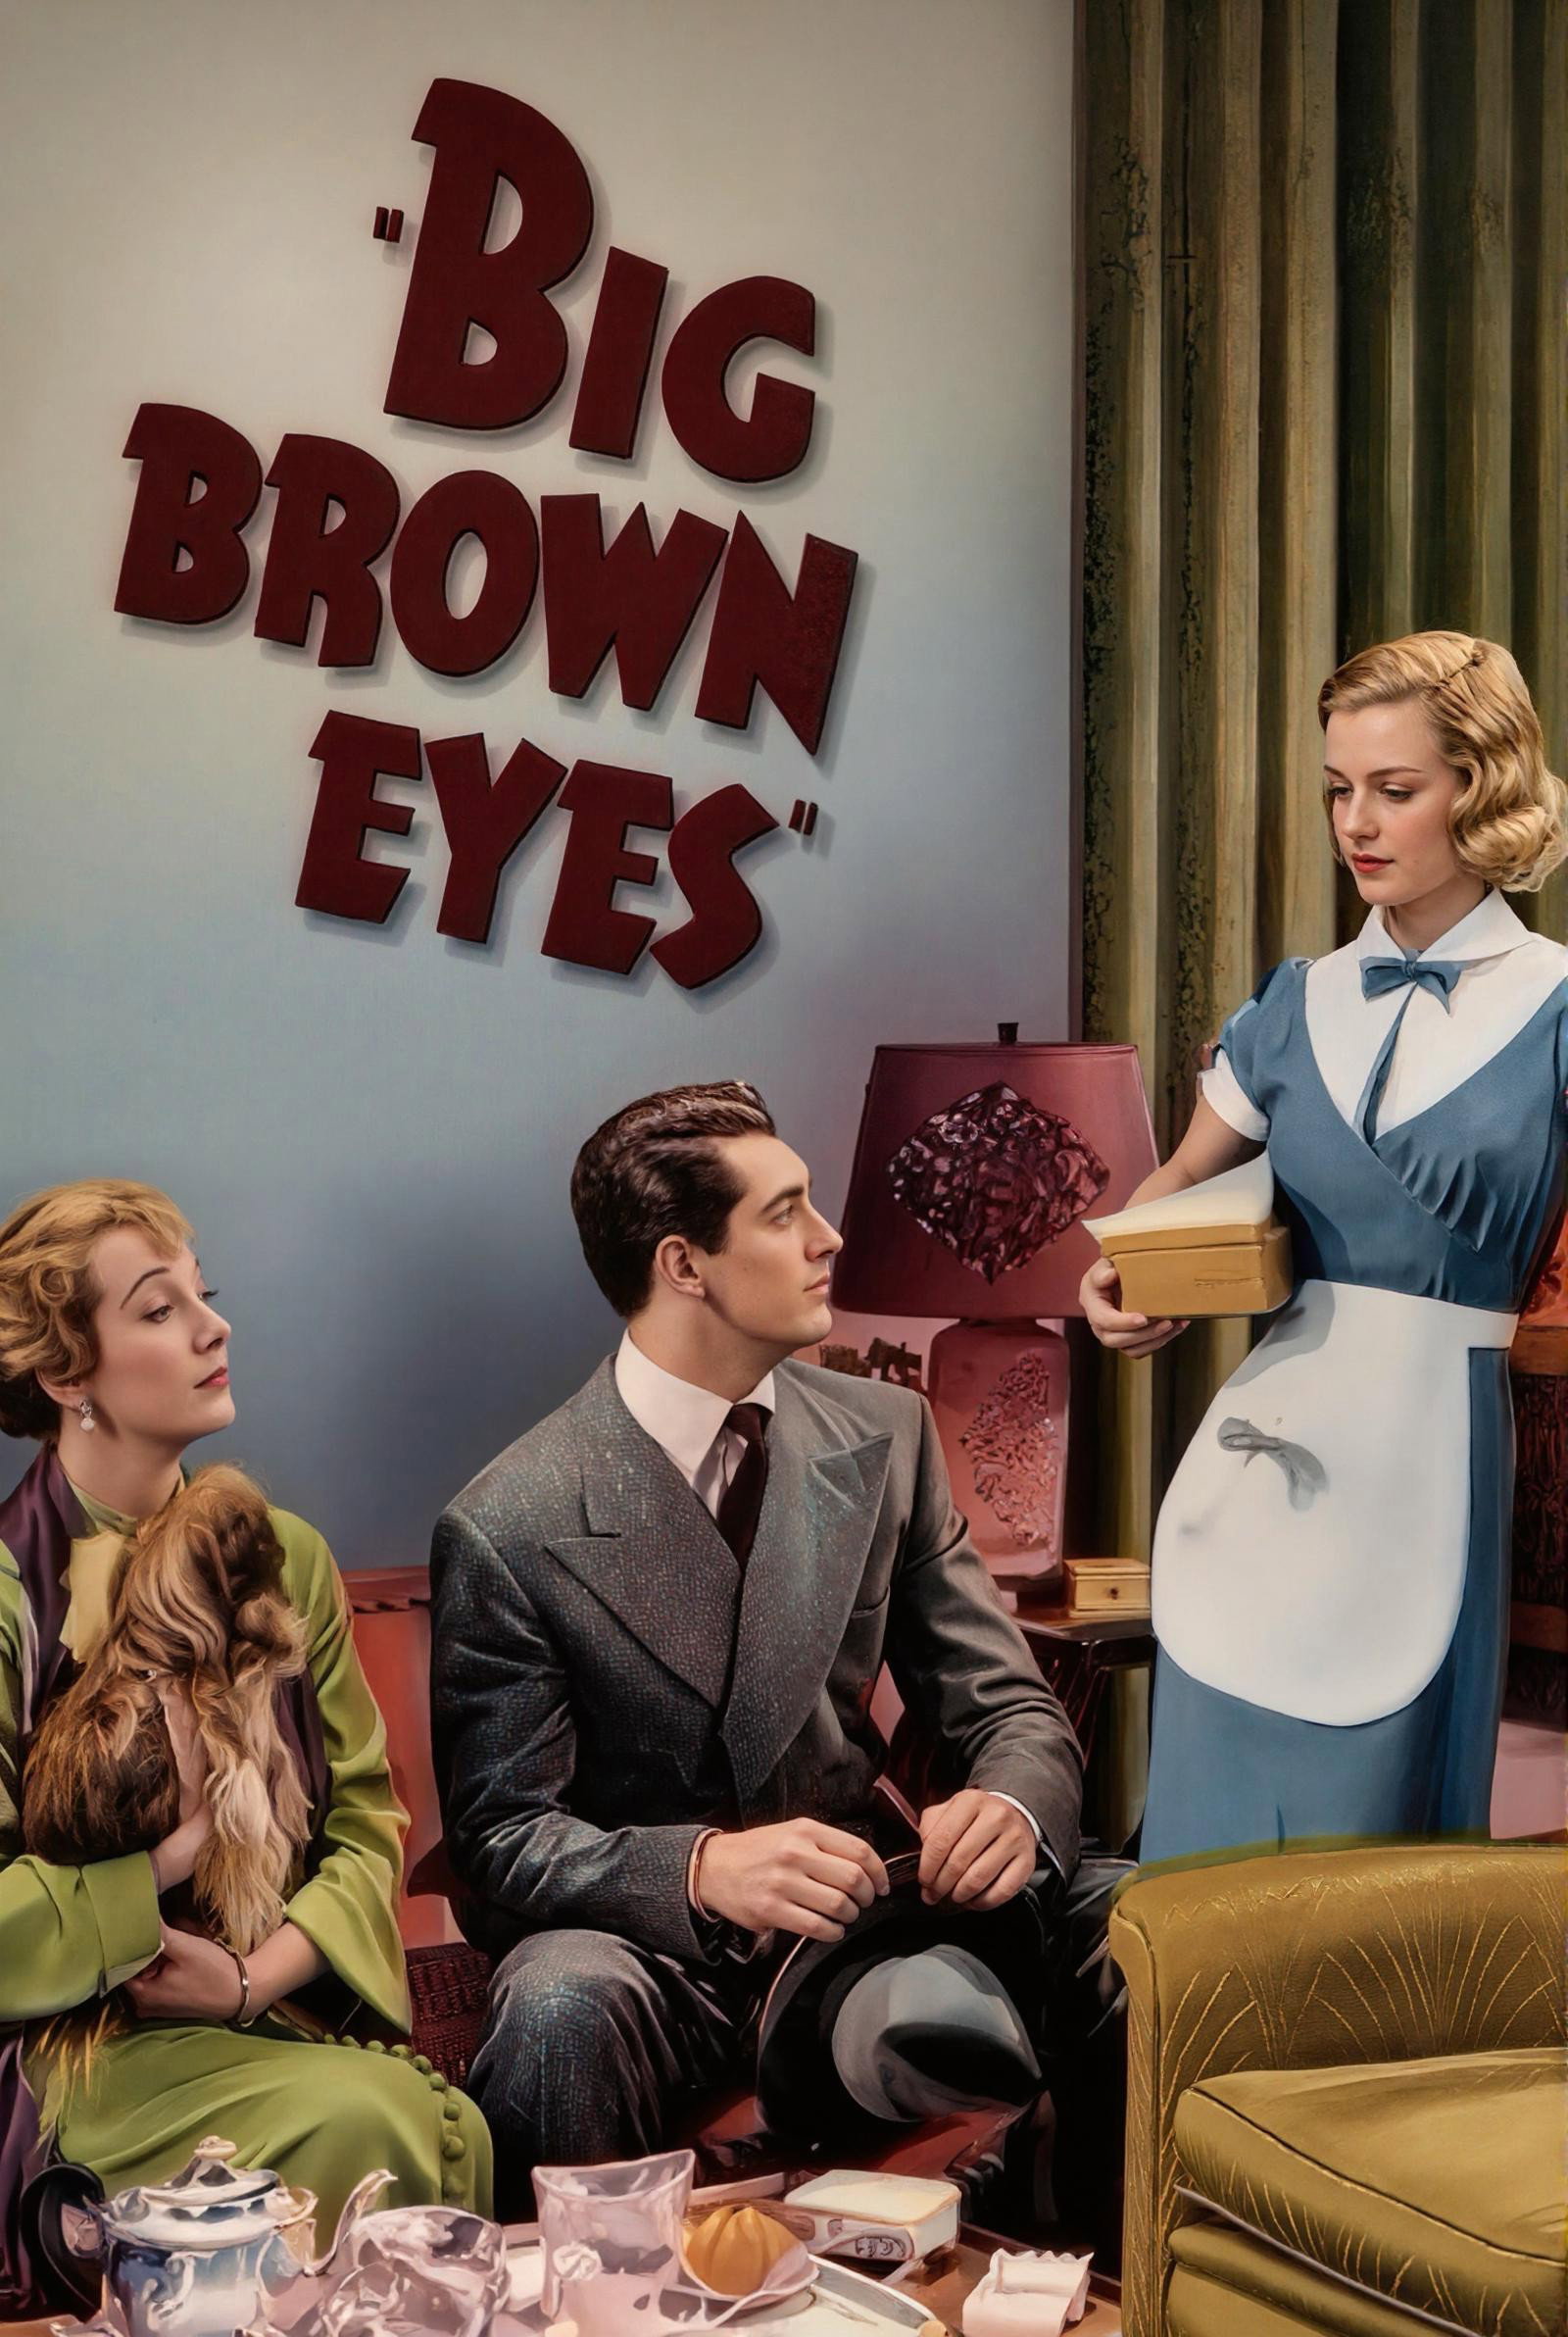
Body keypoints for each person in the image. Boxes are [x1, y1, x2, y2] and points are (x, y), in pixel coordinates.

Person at [431, 1083, 1124, 2220]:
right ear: (684, 1264)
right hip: (655, 1956)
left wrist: (1008, 1804)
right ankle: (591, 2296)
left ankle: (1090, 2275)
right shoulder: (509, 1520)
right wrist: (701, 1868)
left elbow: (1006, 1706)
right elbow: (503, 1836)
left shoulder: (884, 1432)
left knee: (1141, 1925)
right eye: (784, 1211)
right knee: (558, 2002)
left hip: (870, 1917)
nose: (829, 1236)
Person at [1082, 632, 1568, 1864]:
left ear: (1483, 788)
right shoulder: (1290, 1001)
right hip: (1258, 1464)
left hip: (1429, 1462)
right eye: (1336, 789)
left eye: (1393, 789)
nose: (1355, 822)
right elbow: (1178, 1186)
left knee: (1370, 1875)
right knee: (1205, 1853)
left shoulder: (1557, 1003)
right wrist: (1122, 1274)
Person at [0, 1179, 490, 2316]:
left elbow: (366, 1820)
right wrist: (160, 1870)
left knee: (413, 2115)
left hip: (264, 2007)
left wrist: (247, 1978)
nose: (213, 1327)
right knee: (374, 2117)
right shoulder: (10, 1596)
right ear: (68, 1373)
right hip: (62, 2054)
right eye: (158, 1308)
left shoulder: (285, 1558)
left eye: (204, 1295)